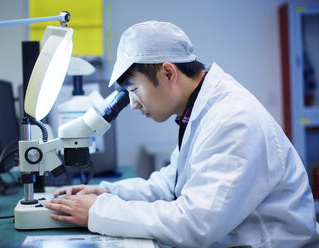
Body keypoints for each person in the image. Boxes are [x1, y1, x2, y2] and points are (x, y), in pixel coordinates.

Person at [45, 21, 319, 247]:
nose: (133, 103)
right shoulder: (199, 111)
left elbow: (196, 224)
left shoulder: (234, 119)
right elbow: (169, 185)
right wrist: (106, 191)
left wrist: (97, 211)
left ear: (167, 73)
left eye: (135, 89)